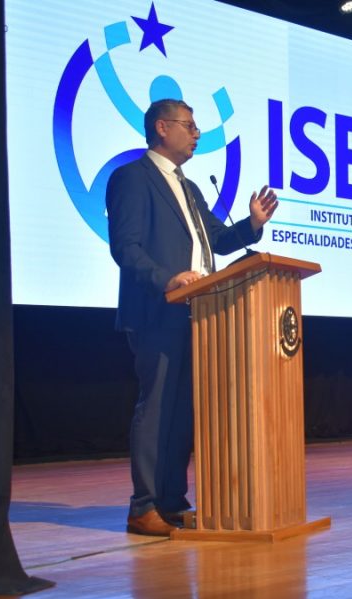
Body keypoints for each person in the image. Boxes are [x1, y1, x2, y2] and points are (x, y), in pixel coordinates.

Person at [107, 98, 278, 536]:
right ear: (162, 128)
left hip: (198, 313)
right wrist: (167, 279)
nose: (198, 133)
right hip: (158, 309)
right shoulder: (132, 177)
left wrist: (252, 224)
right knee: (157, 407)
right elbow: (126, 248)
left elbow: (217, 240)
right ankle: (143, 505)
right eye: (189, 125)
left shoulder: (190, 188)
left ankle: (171, 500)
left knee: (183, 411)